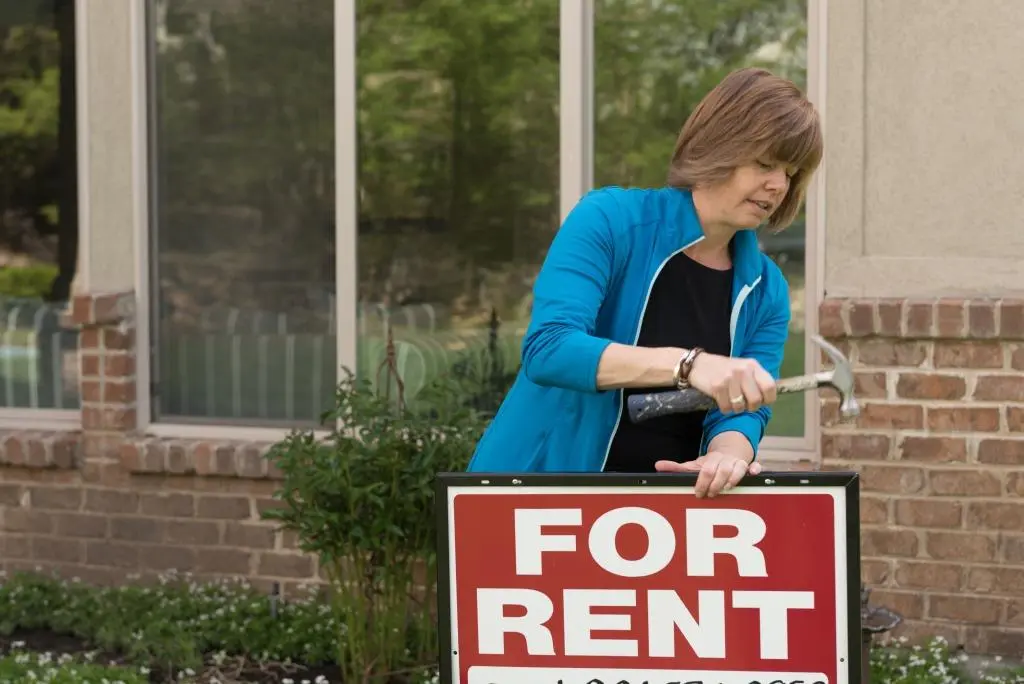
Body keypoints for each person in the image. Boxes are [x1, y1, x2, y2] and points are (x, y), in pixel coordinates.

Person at [467, 67, 823, 499]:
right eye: (765, 163)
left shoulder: (768, 289)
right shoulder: (609, 219)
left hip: (666, 514)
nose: (778, 185)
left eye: (791, 171)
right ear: (717, 146)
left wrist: (728, 455)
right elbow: (549, 348)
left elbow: (743, 408)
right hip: (534, 493)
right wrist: (690, 366)